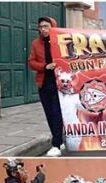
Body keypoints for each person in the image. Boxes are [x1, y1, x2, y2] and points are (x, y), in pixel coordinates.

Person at [27, 17, 64, 157]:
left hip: (60, 83)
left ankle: (56, 144)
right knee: (50, 114)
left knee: (58, 113)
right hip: (44, 83)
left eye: (46, 26)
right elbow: (31, 62)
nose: (43, 29)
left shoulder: (61, 41)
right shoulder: (36, 44)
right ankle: (59, 141)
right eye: (41, 26)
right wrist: (44, 66)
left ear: (52, 27)